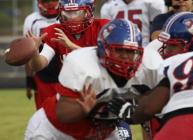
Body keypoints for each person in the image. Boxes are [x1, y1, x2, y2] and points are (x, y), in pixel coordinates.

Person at [24, 19, 163, 140]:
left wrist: (131, 113)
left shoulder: (151, 65)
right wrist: (83, 109)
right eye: (119, 50)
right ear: (103, 49)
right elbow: (62, 114)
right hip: (54, 131)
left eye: (131, 51)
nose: (125, 57)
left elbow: (149, 111)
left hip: (102, 132)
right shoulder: (81, 63)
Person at [109, 12, 193, 140]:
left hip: (180, 123)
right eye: (166, 44)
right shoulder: (154, 54)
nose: (166, 50)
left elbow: (148, 109)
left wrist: (131, 113)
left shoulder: (175, 64)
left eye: (173, 45)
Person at [27, 0, 109, 73]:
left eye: (76, 12)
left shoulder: (103, 27)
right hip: (69, 87)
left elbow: (105, 61)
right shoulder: (55, 31)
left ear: (87, 12)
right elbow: (38, 66)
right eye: (67, 12)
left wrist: (71, 46)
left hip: (99, 86)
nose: (71, 17)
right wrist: (35, 53)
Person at [23, 0, 59, 109]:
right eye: (46, 1)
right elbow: (27, 52)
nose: (50, 4)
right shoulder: (31, 20)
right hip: (42, 74)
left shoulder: (66, 16)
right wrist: (29, 80)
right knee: (43, 112)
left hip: (64, 73)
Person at [100, 0, 166, 47]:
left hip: (145, 49)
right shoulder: (108, 6)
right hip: (118, 49)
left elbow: (156, 31)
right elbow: (107, 34)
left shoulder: (153, 3)